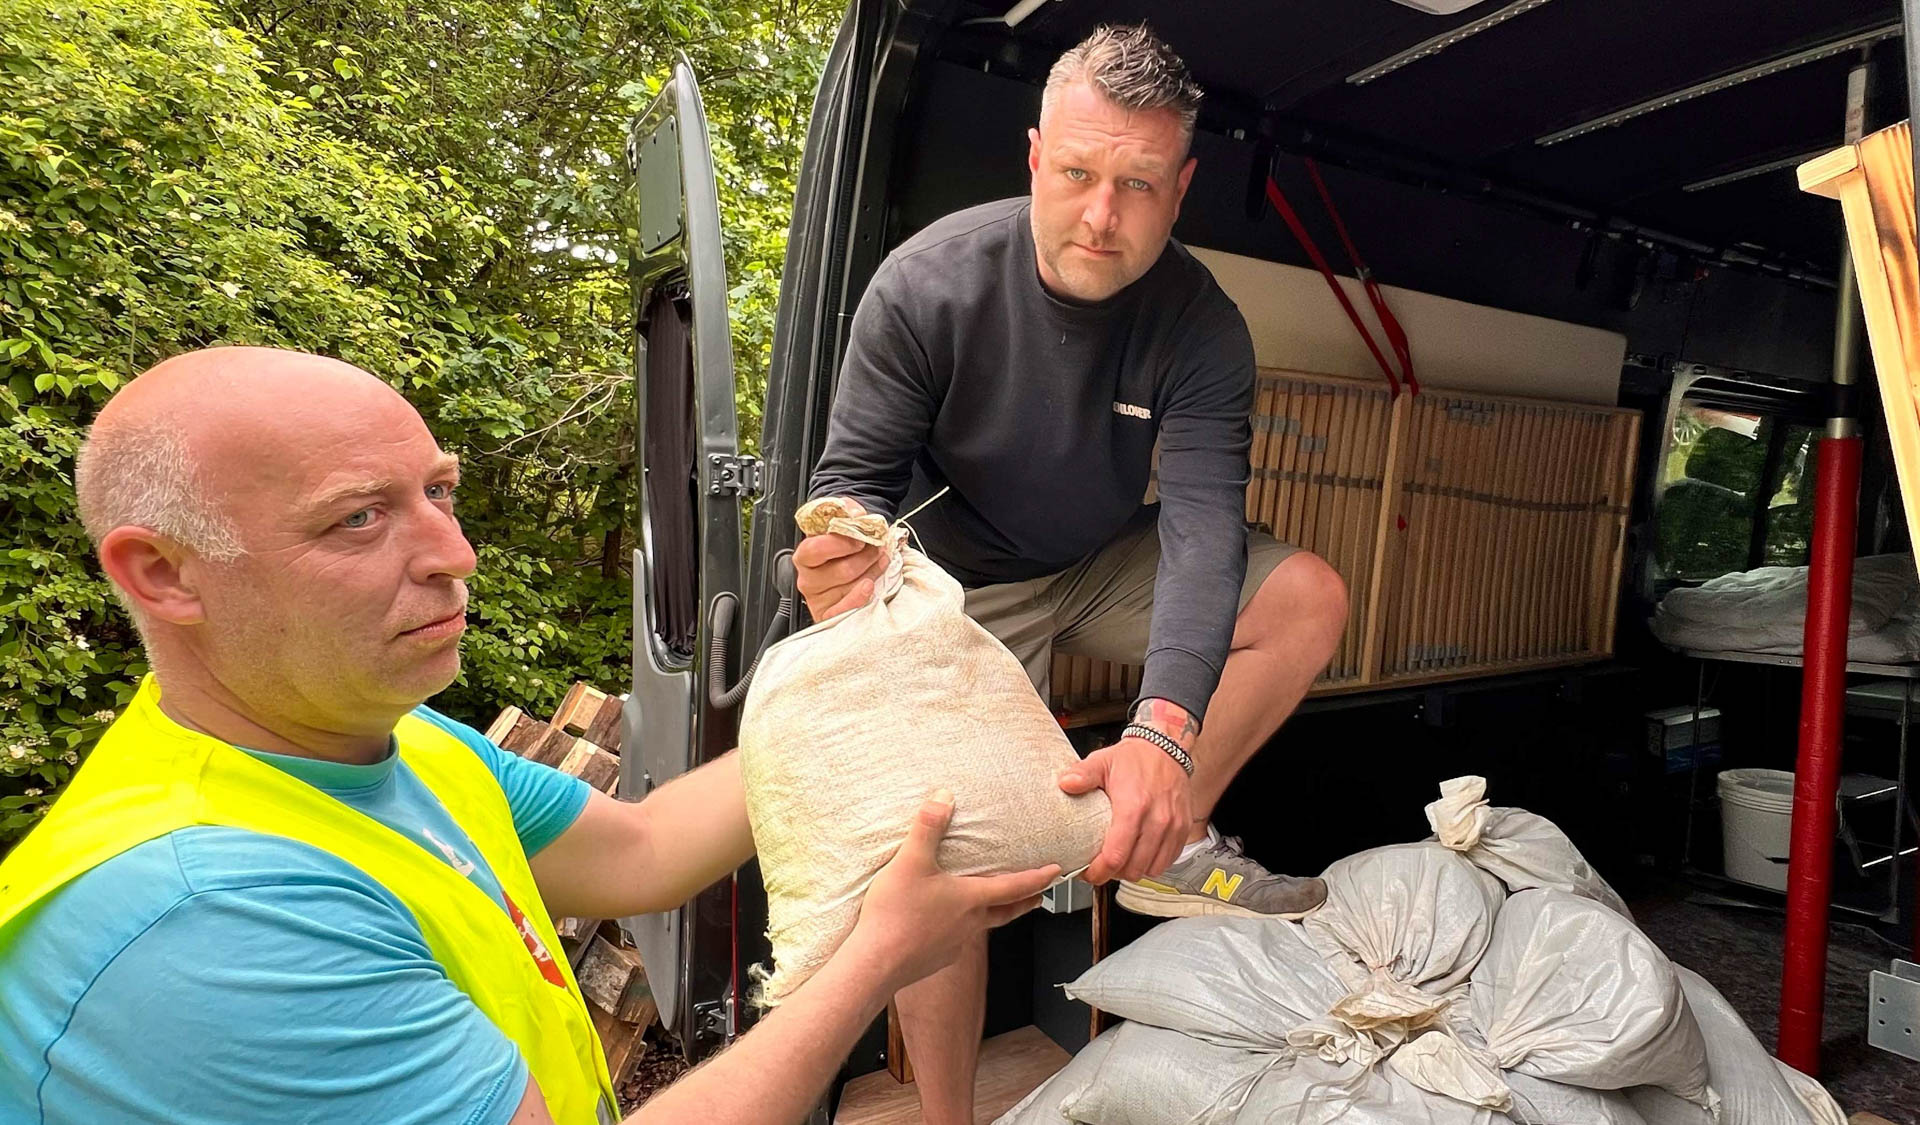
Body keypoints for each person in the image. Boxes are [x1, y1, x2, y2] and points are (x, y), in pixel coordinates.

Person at [0, 347, 1058, 1125]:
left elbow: (646, 851)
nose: (454, 553)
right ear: (164, 573)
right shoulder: (207, 921)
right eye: (359, 518)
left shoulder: (397, 745)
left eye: (439, 492)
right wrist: (874, 958)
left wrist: (870, 682)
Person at [796, 23, 1350, 1125]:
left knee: (1309, 595)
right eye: (1083, 175)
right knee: (936, 864)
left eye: (1139, 185)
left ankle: (1169, 836)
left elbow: (1202, 531)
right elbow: (849, 486)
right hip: (959, 584)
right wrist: (837, 561)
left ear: (1182, 188)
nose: (1103, 216)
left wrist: (1159, 736)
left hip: (1099, 558)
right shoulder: (928, 285)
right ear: (1037, 157)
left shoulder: (1201, 325)